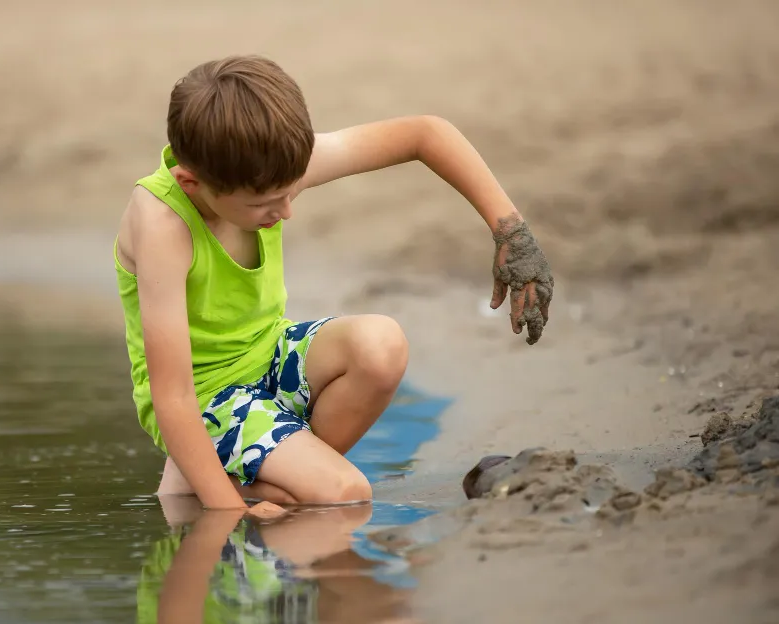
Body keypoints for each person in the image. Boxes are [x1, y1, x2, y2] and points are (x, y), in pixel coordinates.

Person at [114, 55, 553, 519]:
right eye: (265, 204)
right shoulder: (164, 225)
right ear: (191, 182)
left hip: (268, 354)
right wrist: (228, 515)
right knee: (346, 493)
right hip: (203, 399)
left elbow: (425, 134)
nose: (286, 211)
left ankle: (247, 475)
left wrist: (511, 233)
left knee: (380, 344)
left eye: (291, 191)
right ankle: (221, 483)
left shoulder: (262, 169)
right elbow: (173, 396)